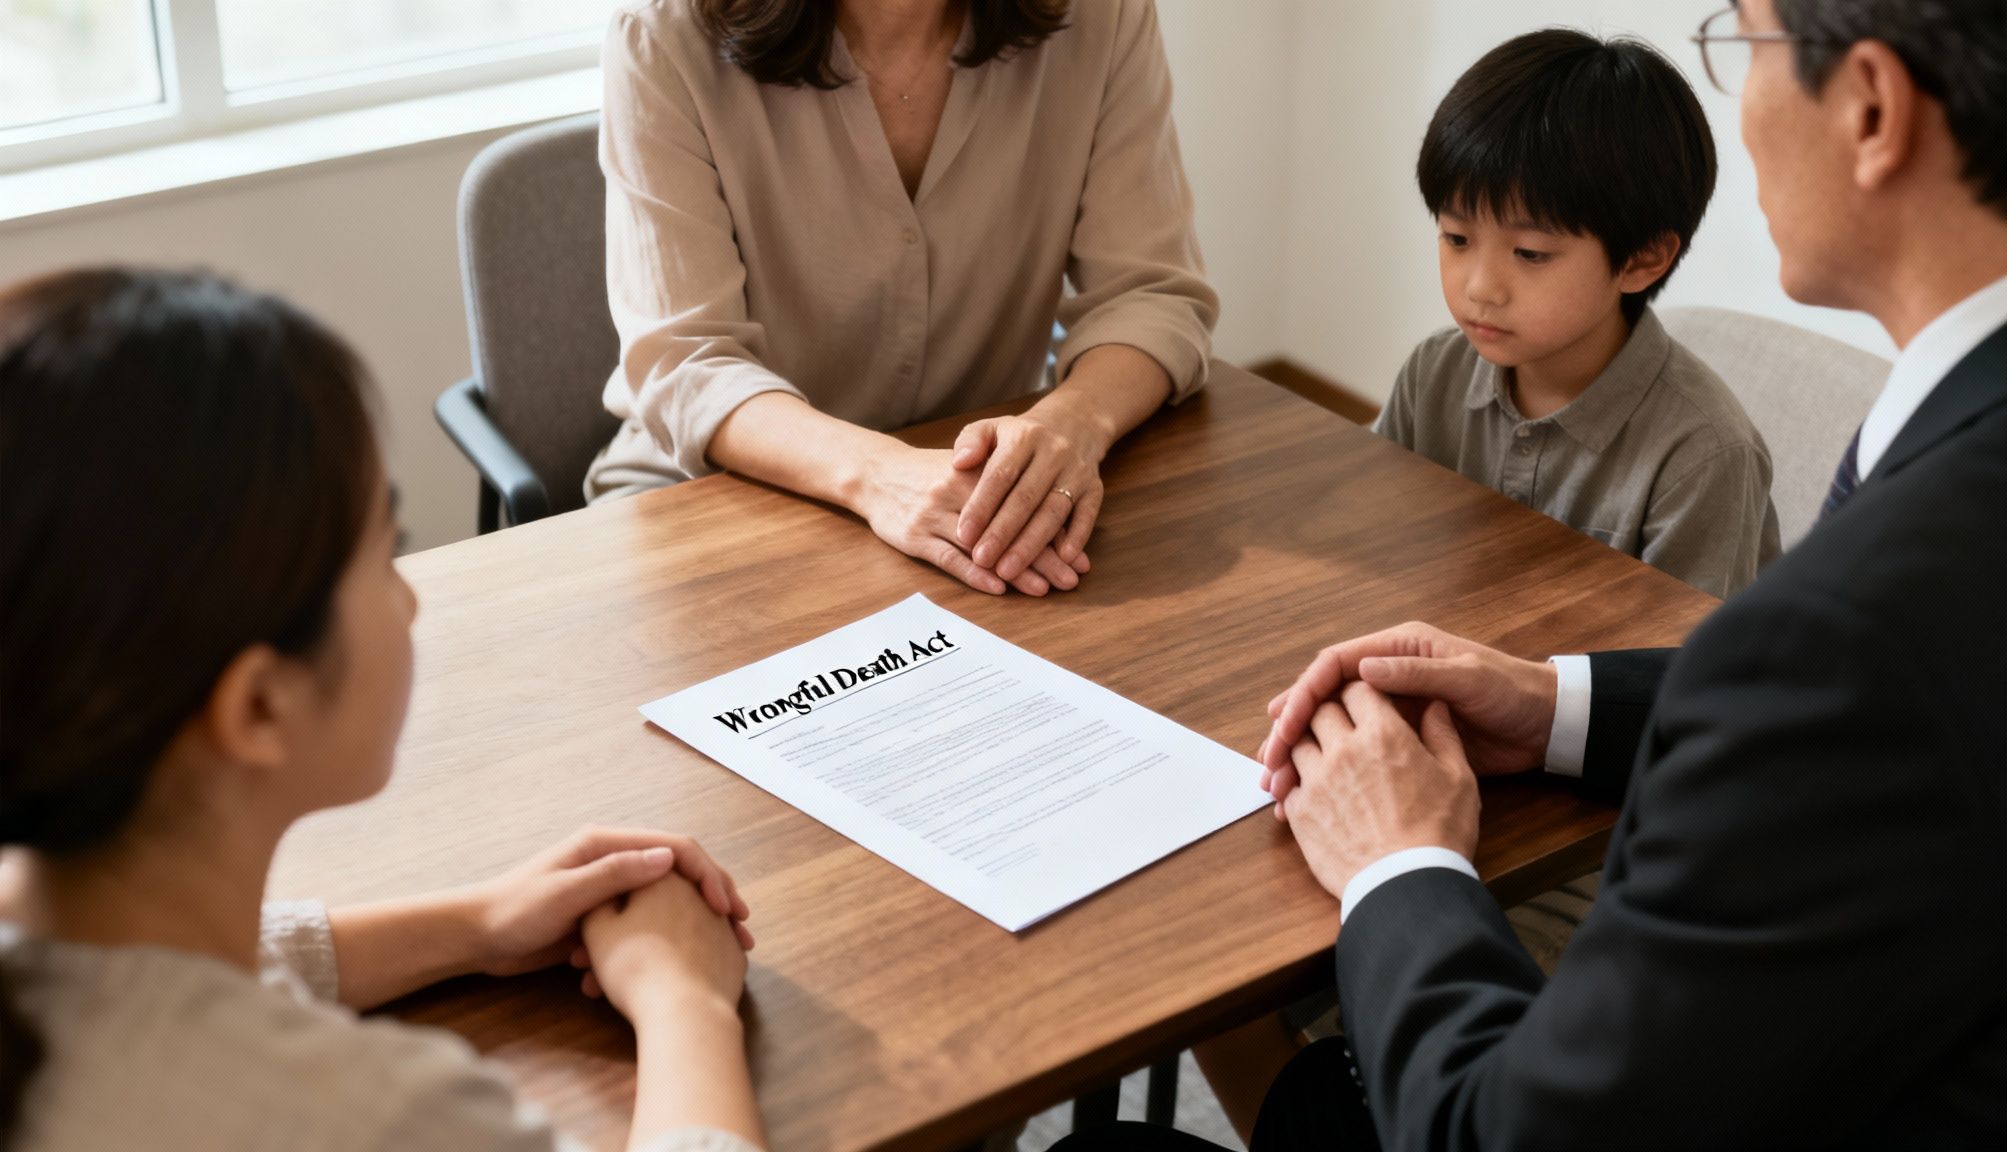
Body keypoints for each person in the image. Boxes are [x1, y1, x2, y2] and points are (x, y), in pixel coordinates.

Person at [1066, 0, 2007, 1146]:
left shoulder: (1847, 616)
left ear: (1869, 108)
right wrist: (1555, 704)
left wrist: (1401, 861)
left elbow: (1521, 1127)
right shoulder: (1971, 476)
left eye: (1744, 39)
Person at [0, 268, 766, 1151]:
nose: (409, 602)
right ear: (258, 705)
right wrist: (686, 1002)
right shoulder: (368, 1114)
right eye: (384, 554)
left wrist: (475, 924)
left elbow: (160, 976)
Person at [587, 0, 1219, 599]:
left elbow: (1151, 294)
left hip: (974, 501)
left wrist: (1072, 426)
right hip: (712, 493)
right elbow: (686, 363)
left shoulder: (1100, 17)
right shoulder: (663, 35)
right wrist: (881, 475)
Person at [1374, 28, 1780, 600]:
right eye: (1456, 238)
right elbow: (1376, 542)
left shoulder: (1703, 454)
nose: (1480, 288)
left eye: (1530, 253)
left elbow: (1679, 667)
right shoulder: (1434, 373)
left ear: (1642, 259)